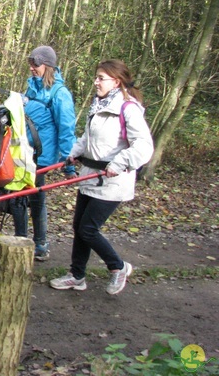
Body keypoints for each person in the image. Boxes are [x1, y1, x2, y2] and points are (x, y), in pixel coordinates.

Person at [50, 59, 153, 295]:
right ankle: (77, 276)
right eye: (96, 77)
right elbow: (88, 138)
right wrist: (74, 153)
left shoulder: (128, 108)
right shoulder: (98, 105)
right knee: (79, 227)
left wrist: (120, 163)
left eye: (101, 78)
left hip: (113, 181)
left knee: (88, 229)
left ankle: (118, 267)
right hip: (90, 176)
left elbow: (144, 146)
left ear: (116, 81)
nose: (95, 82)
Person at [11, 45, 77, 261]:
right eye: (30, 63)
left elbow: (67, 129)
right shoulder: (33, 87)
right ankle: (20, 241)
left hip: (43, 156)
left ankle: (40, 244)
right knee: (18, 196)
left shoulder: (60, 94)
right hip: (24, 151)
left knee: (35, 198)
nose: (32, 68)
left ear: (47, 65)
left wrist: (69, 163)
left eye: (35, 64)